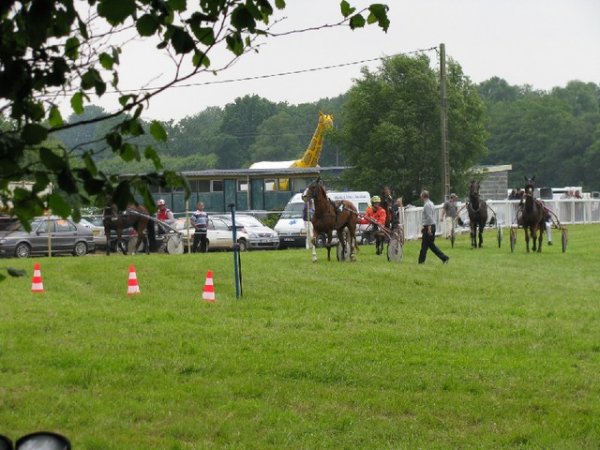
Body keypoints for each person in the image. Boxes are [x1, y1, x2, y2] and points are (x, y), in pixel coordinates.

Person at [418, 190, 449, 265]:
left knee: (425, 246)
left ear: (423, 196)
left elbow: (429, 217)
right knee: (430, 245)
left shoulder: (427, 205)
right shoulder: (431, 203)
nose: (420, 198)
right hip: (430, 226)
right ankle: (444, 258)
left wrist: (428, 228)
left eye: (421, 196)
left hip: (429, 226)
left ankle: (421, 262)